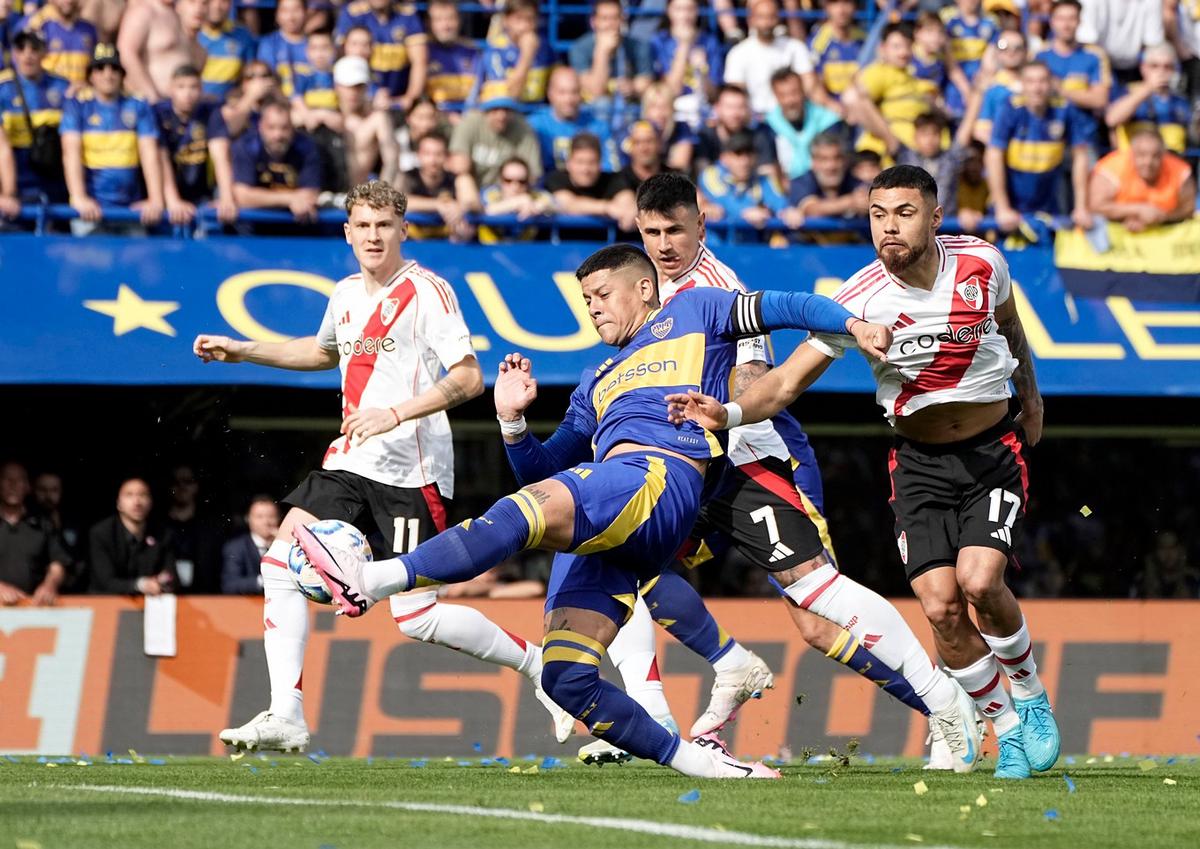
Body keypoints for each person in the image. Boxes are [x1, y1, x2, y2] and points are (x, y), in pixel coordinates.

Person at [295, 242, 980, 779]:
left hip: (661, 477)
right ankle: (700, 760)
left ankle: (374, 576)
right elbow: (549, 469)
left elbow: (788, 303)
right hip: (625, 509)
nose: (593, 308)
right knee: (566, 677)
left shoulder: (698, 311)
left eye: (601, 294)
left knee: (809, 590)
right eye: (585, 299)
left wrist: (855, 322)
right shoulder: (596, 379)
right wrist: (510, 425)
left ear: (643, 288)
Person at [670, 164, 1061, 781]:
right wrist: (730, 411)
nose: (889, 227)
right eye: (878, 215)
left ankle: (1031, 696)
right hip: (916, 461)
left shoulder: (983, 263)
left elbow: (1011, 329)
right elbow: (787, 381)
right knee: (939, 606)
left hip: (992, 450)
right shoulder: (856, 299)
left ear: (935, 218)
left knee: (980, 581)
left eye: (904, 213)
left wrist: (1032, 398)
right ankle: (1005, 729)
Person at [193, 180, 571, 753]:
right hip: (350, 460)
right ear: (347, 233)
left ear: (403, 230)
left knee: (416, 617)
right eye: (362, 226)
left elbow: (469, 378)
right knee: (277, 561)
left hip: (413, 472)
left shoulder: (428, 291)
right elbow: (322, 353)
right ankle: (285, 712)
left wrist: (394, 413)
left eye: (383, 225)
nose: (373, 236)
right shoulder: (345, 293)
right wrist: (242, 349)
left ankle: (537, 665)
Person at [60, 44, 165, 235]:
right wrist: (79, 197)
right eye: (100, 68)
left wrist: (155, 199)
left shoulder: (138, 105)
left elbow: (150, 153)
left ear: (122, 74)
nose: (108, 74)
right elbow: (70, 153)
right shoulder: (77, 106)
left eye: (114, 68)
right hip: (91, 211)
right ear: (91, 75)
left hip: (131, 211)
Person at [986, 61, 1094, 232]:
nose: (1037, 88)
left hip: (1050, 210)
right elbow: (994, 154)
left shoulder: (1064, 110)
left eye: (1042, 81)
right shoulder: (1009, 108)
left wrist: (1081, 207)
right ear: (1022, 84)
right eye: (1030, 81)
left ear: (1051, 83)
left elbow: (1081, 154)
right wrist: (1002, 207)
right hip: (1010, 212)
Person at [0, 30, 71, 211]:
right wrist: (8, 192)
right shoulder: (3, 88)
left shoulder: (63, 87)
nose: (27, 54)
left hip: (55, 182)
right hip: (19, 182)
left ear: (44, 52)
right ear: (14, 53)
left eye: (34, 48)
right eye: (21, 48)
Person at [155, 64, 233, 226]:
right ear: (171, 89)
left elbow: (221, 155)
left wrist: (226, 198)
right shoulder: (159, 113)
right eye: (181, 87)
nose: (188, 93)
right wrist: (173, 201)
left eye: (193, 87)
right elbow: (159, 159)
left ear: (201, 89)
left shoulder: (211, 112)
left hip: (202, 194)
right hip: (167, 194)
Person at [724, 0, 832, 117]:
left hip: (792, 116)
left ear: (778, 19)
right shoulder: (737, 53)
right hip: (756, 120)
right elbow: (736, 94)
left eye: (771, 17)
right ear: (751, 19)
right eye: (761, 17)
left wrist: (831, 107)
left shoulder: (795, 47)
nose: (766, 22)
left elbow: (811, 86)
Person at [230, 98, 320, 223]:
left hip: (295, 225)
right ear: (260, 126)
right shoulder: (246, 146)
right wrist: (290, 199)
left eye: (284, 128)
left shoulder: (306, 148)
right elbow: (242, 196)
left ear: (292, 128)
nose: (278, 135)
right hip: (253, 226)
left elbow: (310, 195)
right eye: (271, 128)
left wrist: (259, 197)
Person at [1088, 128, 1195, 232]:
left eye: (1155, 156)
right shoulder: (1112, 169)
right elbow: (1095, 206)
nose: (1148, 162)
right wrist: (1137, 210)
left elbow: (1189, 208)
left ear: (1163, 155)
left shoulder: (1179, 171)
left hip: (1165, 236)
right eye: (1142, 155)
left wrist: (1162, 217)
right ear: (1131, 154)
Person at [448, 95, 542, 212]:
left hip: (506, 194)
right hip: (477, 193)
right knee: (463, 179)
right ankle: (470, 218)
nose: (501, 116)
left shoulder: (523, 129)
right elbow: (459, 166)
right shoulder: (471, 123)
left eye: (506, 110)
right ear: (485, 111)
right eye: (495, 110)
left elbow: (533, 175)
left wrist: (513, 190)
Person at [846, 22, 926, 156]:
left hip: (913, 154)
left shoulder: (911, 75)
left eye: (908, 45)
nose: (903, 52)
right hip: (887, 156)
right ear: (882, 48)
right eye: (896, 46)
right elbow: (852, 99)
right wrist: (891, 141)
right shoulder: (878, 72)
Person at [88, 477, 176, 596]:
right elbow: (105, 581)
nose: (137, 502)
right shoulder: (101, 533)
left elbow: (171, 575)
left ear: (150, 502)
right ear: (119, 503)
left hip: (150, 603)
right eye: (129, 495)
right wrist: (140, 585)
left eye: (143, 495)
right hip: (107, 604)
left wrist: (163, 580)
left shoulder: (163, 534)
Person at [335, 0, 426, 112]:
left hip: (399, 98)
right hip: (363, 100)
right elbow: (345, 61)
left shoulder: (407, 15)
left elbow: (419, 61)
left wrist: (410, 98)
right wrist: (371, 93)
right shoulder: (353, 13)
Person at [0, 461, 70, 606]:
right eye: (7, 479)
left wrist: (49, 585)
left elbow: (58, 562)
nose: (13, 485)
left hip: (34, 607)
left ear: (27, 487)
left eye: (19, 480)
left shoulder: (43, 523)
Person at [897, 111, 981, 231]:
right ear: (915, 137)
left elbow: (964, 134)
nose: (930, 139)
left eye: (935, 133)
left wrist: (977, 97)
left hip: (946, 229)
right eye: (924, 134)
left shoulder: (950, 159)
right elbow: (884, 132)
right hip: (913, 230)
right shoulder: (906, 158)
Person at [528, 66, 619, 174]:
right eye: (562, 92)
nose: (569, 99)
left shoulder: (598, 127)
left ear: (581, 94)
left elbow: (611, 168)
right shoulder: (535, 125)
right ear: (550, 94)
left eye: (574, 92)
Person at [651, 0, 724, 131]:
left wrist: (702, 71)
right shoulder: (659, 42)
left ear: (697, 11)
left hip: (703, 110)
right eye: (679, 9)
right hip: (671, 111)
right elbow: (672, 91)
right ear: (669, 11)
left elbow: (713, 95)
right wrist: (684, 45)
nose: (685, 15)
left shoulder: (709, 42)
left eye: (690, 9)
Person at [1105, 43, 1191, 153]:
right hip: (1135, 162)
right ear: (1143, 68)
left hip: (1172, 163)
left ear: (1175, 70)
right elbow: (1112, 119)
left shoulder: (1180, 100)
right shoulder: (1129, 92)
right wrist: (1148, 88)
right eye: (1154, 66)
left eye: (1167, 67)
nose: (1161, 71)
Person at [698, 130, 789, 232]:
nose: (744, 161)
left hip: (751, 245)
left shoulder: (763, 180)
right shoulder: (711, 175)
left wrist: (788, 213)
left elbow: (779, 203)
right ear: (724, 158)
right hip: (717, 245)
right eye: (738, 154)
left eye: (749, 154)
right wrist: (743, 212)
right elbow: (722, 199)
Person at [116, 0, 206, 103]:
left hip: (177, 108)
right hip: (147, 103)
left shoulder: (180, 12)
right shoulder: (143, 11)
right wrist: (151, 96)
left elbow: (195, 55)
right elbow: (126, 52)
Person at [568, 0, 653, 106]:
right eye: (605, 18)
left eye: (615, 18)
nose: (610, 24)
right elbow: (595, 91)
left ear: (622, 20)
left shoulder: (637, 46)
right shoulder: (580, 48)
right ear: (593, 22)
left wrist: (632, 86)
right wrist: (602, 52)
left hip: (628, 103)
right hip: (593, 108)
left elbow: (646, 81)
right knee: (603, 103)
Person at [332, 55, 398, 188]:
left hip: (361, 194)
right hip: (328, 192)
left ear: (366, 87)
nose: (353, 92)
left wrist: (380, 193)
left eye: (358, 86)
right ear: (337, 86)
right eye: (348, 86)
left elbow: (391, 160)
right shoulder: (325, 116)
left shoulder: (377, 119)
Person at [545, 132, 636, 229]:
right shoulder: (556, 179)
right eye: (580, 162)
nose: (585, 169)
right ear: (568, 163)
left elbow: (628, 202)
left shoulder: (613, 180)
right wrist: (607, 208)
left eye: (591, 162)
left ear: (600, 163)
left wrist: (630, 212)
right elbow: (568, 204)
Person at [766, 67, 843, 181]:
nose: (790, 100)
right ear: (776, 96)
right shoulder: (768, 125)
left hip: (821, 184)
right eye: (783, 95)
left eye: (794, 93)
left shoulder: (827, 120)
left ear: (803, 91)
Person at [1034, 0, 1109, 113]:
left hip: (1084, 128)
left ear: (1079, 21)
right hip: (1047, 125)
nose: (1066, 25)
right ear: (1052, 21)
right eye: (1061, 19)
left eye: (1071, 18)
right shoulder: (1039, 55)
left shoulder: (1094, 55)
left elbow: (1100, 99)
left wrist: (1060, 89)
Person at [782, 131, 868, 229]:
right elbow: (812, 210)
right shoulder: (801, 183)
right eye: (824, 159)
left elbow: (867, 197)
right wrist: (851, 202)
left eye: (837, 158)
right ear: (813, 162)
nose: (831, 166)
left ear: (845, 160)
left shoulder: (853, 181)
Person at [693, 84, 778, 179]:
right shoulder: (706, 137)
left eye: (741, 107)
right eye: (730, 107)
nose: (735, 113)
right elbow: (703, 176)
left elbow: (767, 175)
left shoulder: (759, 136)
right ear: (717, 108)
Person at [478, 0, 554, 105]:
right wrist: (527, 54)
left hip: (539, 111)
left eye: (530, 19)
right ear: (506, 20)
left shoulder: (545, 47)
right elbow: (509, 95)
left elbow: (558, 84)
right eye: (519, 19)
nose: (525, 26)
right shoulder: (496, 50)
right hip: (510, 113)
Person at [401, 131, 472, 242]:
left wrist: (461, 207)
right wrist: (438, 204)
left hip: (448, 248)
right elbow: (395, 201)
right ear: (418, 154)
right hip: (410, 247)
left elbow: (473, 202)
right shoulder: (406, 178)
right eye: (427, 154)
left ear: (446, 156)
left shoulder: (457, 179)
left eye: (438, 154)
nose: (433, 160)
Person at [163, 463, 222, 594]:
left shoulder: (209, 527)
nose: (182, 487)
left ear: (196, 486)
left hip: (203, 596)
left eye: (187, 481)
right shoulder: (159, 527)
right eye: (176, 482)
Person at [1076, 0, 1164, 80]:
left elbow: (1153, 44)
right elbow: (1087, 44)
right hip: (1100, 67)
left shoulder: (1152, 2)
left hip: (1136, 69)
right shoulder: (1091, 2)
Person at [18, 0, 98, 85]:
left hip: (82, 94)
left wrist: (86, 84)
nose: (69, 1)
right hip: (49, 93)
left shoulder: (89, 29)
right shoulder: (36, 25)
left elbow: (96, 69)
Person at [478, 154, 553, 242]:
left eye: (522, 181)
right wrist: (518, 202)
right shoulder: (489, 194)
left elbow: (558, 206)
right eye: (508, 181)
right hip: (488, 253)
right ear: (500, 180)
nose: (515, 186)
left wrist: (542, 206)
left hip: (527, 253)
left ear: (529, 182)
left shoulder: (536, 196)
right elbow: (481, 210)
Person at [424, 0, 480, 114]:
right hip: (434, 119)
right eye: (438, 20)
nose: (446, 26)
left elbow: (479, 92)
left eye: (451, 19)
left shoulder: (472, 51)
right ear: (428, 23)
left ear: (459, 20)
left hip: (468, 118)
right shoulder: (423, 52)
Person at [197, 0, 257, 103]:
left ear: (231, 4)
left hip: (228, 108)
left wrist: (236, 95)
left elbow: (249, 78)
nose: (217, 6)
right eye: (211, 1)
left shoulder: (243, 36)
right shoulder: (191, 33)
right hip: (195, 107)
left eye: (223, 1)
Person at [222, 495, 280, 595]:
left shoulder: (285, 546)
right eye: (259, 517)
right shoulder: (236, 547)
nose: (266, 522)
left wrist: (281, 541)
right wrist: (264, 581)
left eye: (271, 516)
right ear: (248, 519)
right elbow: (230, 585)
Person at [809, 0, 865, 100]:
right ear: (826, 7)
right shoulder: (817, 41)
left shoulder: (864, 40)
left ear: (855, 7)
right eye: (835, 3)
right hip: (829, 108)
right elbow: (814, 85)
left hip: (858, 104)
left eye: (847, 2)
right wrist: (831, 105)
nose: (841, 10)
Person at [256, 0, 310, 98]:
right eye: (285, 10)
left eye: (296, 10)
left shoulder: (316, 44)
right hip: (278, 105)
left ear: (306, 12)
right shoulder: (269, 44)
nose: (291, 17)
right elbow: (267, 80)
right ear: (277, 15)